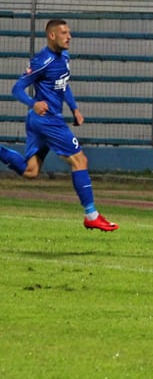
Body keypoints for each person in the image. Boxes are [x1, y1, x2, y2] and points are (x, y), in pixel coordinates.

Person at [0, 19, 118, 231]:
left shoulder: (64, 56)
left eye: (69, 32)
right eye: (64, 33)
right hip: (47, 120)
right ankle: (91, 214)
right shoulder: (42, 60)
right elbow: (17, 88)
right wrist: (33, 103)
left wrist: (74, 108)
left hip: (42, 121)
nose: (69, 36)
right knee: (80, 160)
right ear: (51, 36)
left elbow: (63, 85)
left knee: (30, 171)